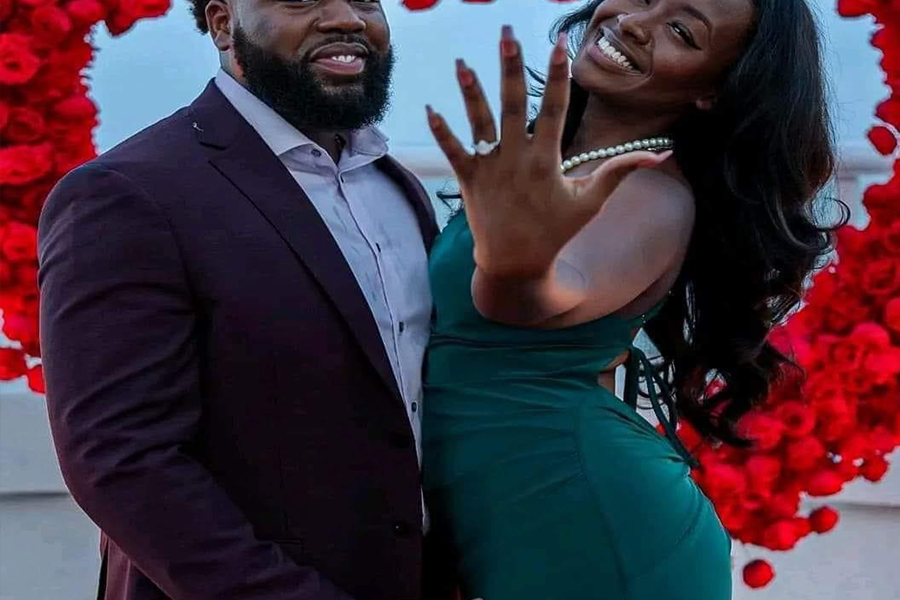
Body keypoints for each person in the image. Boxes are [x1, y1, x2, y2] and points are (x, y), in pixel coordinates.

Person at [421, 0, 839, 599]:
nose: (635, 22)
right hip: (514, 512)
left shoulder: (654, 196)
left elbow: (538, 297)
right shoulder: (548, 168)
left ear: (712, 91)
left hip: (595, 527)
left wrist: (516, 268)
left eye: (681, 30)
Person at [37, 1, 455, 599]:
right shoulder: (127, 193)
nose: (346, 17)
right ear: (222, 23)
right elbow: (120, 459)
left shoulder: (395, 186)